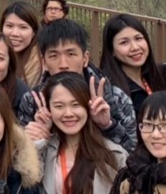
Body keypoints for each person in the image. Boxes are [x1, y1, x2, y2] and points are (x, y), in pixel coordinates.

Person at [18, 20, 138, 152]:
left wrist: (108, 126)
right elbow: (19, 162)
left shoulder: (115, 98)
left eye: (71, 54)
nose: (63, 64)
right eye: (54, 55)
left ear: (85, 58)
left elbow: (134, 154)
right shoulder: (32, 101)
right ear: (44, 62)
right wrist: (32, 140)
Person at [98, 13, 166, 118]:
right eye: (124, 42)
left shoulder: (155, 76)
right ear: (111, 50)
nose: (135, 47)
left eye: (138, 38)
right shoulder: (111, 92)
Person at [1, 2, 43, 94]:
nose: (15, 33)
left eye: (23, 27)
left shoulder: (40, 63)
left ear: (33, 32)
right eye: (9, 26)